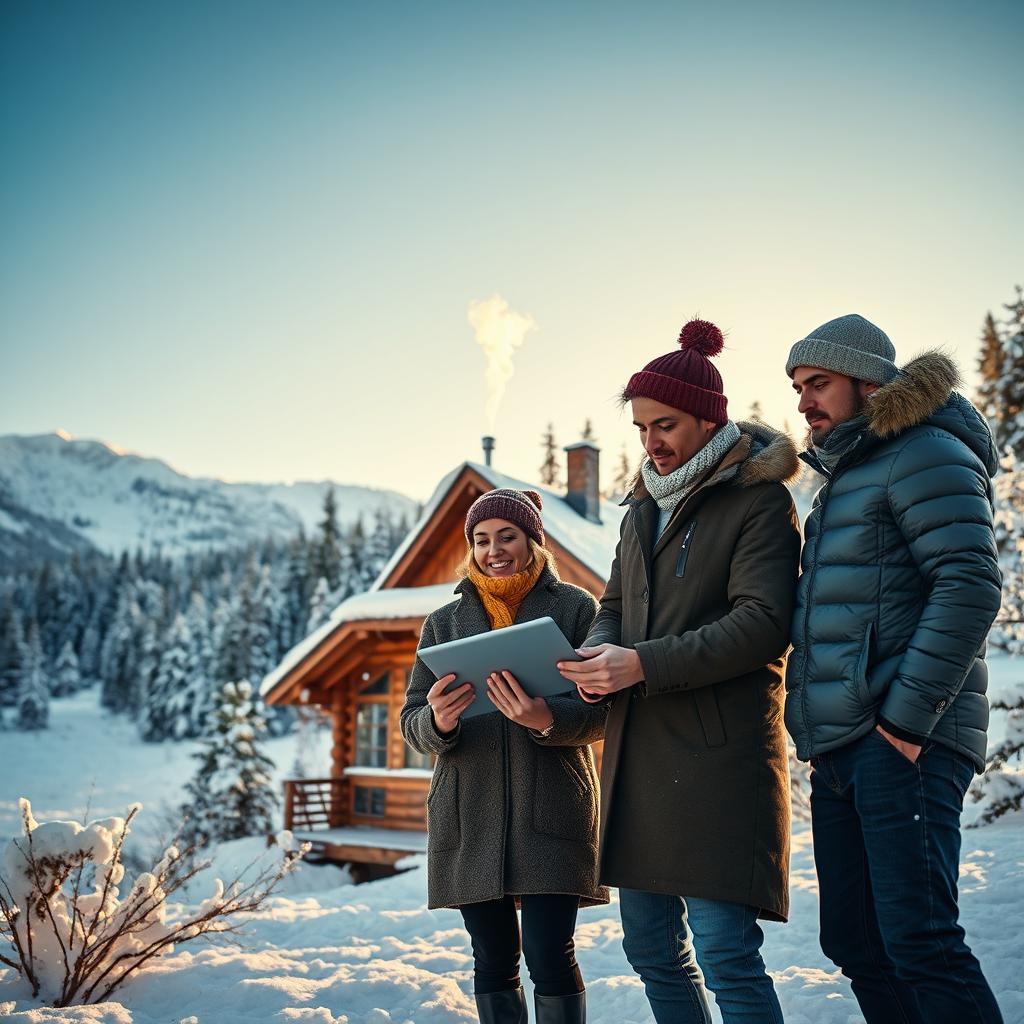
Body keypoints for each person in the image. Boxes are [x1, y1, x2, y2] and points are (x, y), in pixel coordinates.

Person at [558, 319, 801, 1024]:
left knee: (727, 955)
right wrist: (600, 655)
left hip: (721, 762)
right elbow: (612, 605)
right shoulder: (640, 511)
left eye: (664, 424)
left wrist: (640, 663)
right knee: (652, 954)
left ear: (708, 419)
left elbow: (762, 625)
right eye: (640, 428)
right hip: (641, 762)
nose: (651, 442)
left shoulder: (758, 501)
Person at [784, 313, 1004, 1024]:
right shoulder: (846, 475)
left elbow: (969, 584)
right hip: (843, 748)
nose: (803, 401)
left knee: (921, 941)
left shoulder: (925, 451)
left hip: (903, 741)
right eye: (796, 386)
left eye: (817, 383)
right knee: (856, 940)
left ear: (868, 382)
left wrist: (905, 725)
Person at [401, 487, 608, 1024]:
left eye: (507, 536)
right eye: (481, 539)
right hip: (469, 814)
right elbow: (410, 722)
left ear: (532, 542)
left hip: (553, 805)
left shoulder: (575, 608)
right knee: (492, 958)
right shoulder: (442, 624)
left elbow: (606, 711)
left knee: (549, 954)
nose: (493, 549)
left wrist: (546, 718)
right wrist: (438, 721)